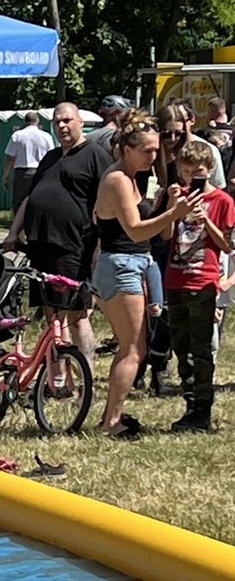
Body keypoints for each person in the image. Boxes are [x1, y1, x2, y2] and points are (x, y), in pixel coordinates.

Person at [91, 111, 192, 438]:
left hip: (135, 264)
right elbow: (135, 232)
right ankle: (111, 423)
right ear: (126, 149)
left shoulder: (136, 179)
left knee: (130, 348)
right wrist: (173, 212)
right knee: (134, 349)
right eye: (147, 151)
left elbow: (160, 235)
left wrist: (169, 209)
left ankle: (111, 416)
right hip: (121, 265)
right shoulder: (117, 179)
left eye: (156, 150)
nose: (154, 156)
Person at [5, 102, 113, 363]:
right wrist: (12, 234)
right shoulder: (51, 157)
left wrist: (100, 246)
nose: (62, 126)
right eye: (57, 122)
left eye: (67, 120)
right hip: (40, 244)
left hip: (73, 246)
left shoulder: (96, 155)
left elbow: (107, 203)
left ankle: (84, 373)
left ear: (80, 122)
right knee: (52, 314)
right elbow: (31, 198)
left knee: (76, 315)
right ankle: (58, 378)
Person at [163, 140, 235, 432]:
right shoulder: (179, 197)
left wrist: (208, 221)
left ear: (210, 169)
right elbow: (166, 234)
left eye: (199, 171)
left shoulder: (222, 201)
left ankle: (202, 409)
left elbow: (228, 245)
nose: (193, 176)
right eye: (188, 170)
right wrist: (171, 205)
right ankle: (190, 402)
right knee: (181, 345)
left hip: (203, 279)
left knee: (201, 346)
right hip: (175, 278)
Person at [3, 111, 54, 213]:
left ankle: (20, 226)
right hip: (40, 172)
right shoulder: (46, 136)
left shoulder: (17, 135)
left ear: (25, 121)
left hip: (22, 173)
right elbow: (52, 156)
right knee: (39, 201)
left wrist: (5, 176)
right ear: (37, 121)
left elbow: (10, 158)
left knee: (20, 203)